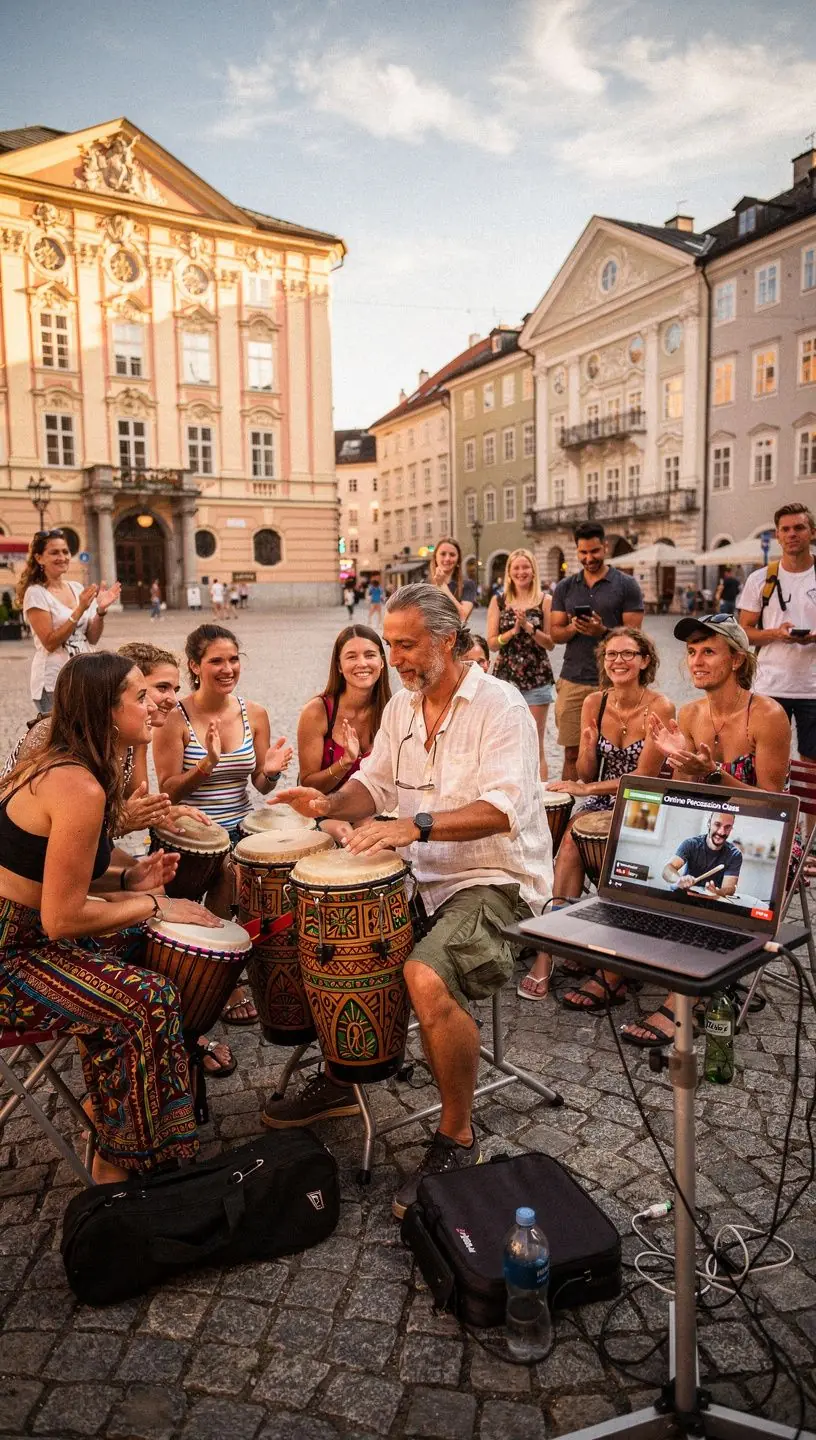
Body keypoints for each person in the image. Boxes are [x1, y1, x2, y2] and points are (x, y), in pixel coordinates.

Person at [267, 583, 552, 1220]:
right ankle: (344, 1077)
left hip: (497, 880)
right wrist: (330, 804)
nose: (394, 657)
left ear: (447, 641)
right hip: (421, 875)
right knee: (328, 938)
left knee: (424, 975)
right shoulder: (403, 709)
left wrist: (414, 826)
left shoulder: (500, 706)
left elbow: (503, 810)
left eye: (406, 644)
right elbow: (373, 782)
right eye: (389, 643)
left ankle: (456, 1133)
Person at [0, 652, 221, 1181]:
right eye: (140, 697)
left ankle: (111, 1113)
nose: (153, 706)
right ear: (105, 710)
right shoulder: (77, 785)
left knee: (153, 951)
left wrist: (128, 880)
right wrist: (157, 903)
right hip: (12, 955)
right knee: (148, 999)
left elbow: (57, 874)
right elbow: (62, 918)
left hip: (27, 937)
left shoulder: (73, 765)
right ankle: (121, 1168)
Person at [621, 613, 792, 1047]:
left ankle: (685, 1002)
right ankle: (617, 970)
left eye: (708, 651)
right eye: (692, 652)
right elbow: (689, 796)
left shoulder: (767, 715)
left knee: (706, 893)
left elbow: (772, 807)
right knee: (644, 869)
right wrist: (675, 767)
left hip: (763, 840)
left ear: (736, 659)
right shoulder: (691, 713)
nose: (696, 661)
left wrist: (712, 776)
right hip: (713, 835)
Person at [519, 627, 674, 1004]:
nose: (618, 661)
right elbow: (587, 772)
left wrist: (587, 789)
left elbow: (643, 779)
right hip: (604, 800)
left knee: (617, 851)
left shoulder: (661, 707)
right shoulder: (595, 703)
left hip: (645, 803)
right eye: (611, 655)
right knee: (569, 845)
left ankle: (614, 958)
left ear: (644, 661)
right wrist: (587, 750)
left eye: (628, 654)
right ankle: (549, 951)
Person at [153, 624, 293, 1025]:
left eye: (233, 659)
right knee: (228, 873)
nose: (227, 668)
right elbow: (169, 792)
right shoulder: (175, 717)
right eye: (216, 660)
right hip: (189, 833)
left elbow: (260, 785)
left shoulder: (255, 713)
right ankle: (222, 974)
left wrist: (271, 772)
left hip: (240, 827)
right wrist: (206, 764)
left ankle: (265, 960)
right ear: (195, 666)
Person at [117, 641, 236, 1079]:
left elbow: (135, 802)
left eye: (174, 687)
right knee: (158, 928)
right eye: (158, 688)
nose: (170, 698)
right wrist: (149, 899)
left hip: (78, 873)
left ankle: (185, 1027)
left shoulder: (135, 736)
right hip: (32, 914)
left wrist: (167, 811)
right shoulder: (84, 747)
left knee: (165, 909)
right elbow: (70, 835)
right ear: (124, 688)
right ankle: (179, 1036)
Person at [550, 523, 644, 780]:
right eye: (583, 553)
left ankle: (608, 810)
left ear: (604, 547)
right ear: (576, 551)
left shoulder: (626, 585)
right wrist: (573, 627)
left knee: (616, 753)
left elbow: (635, 637)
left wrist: (602, 631)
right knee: (572, 753)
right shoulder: (565, 587)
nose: (589, 558)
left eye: (594, 551)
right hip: (573, 678)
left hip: (615, 683)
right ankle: (564, 817)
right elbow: (555, 634)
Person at [738, 505, 816, 793]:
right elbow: (744, 633)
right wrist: (774, 634)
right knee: (766, 759)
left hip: (813, 688)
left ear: (812, 533)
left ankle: (809, 833)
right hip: (770, 684)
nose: (792, 534)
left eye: (799, 528)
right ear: (778, 536)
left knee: (812, 764)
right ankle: (772, 823)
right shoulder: (760, 579)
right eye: (785, 529)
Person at [17, 529, 121, 716]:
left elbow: (92, 637)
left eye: (65, 551)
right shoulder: (36, 593)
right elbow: (49, 642)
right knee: (63, 741)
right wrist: (80, 608)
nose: (62, 557)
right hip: (54, 680)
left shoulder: (76, 587)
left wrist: (100, 611)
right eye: (54, 552)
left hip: (84, 675)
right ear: (39, 558)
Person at [486, 549, 555, 780]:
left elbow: (550, 643)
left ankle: (542, 800)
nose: (521, 572)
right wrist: (513, 631)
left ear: (533, 570)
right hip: (505, 679)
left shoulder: (545, 600)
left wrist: (528, 627)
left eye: (525, 567)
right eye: (516, 568)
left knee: (535, 743)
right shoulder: (499, 601)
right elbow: (493, 644)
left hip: (536, 678)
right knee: (504, 742)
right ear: (509, 572)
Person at [297, 626, 390, 795]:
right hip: (327, 809)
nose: (362, 663)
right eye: (351, 657)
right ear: (339, 666)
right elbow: (308, 785)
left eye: (370, 655)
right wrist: (345, 763)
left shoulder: (393, 710)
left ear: (382, 662)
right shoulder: (317, 711)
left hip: (375, 810)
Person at [661, 812, 742, 899]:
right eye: (717, 824)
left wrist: (716, 892)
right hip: (684, 899)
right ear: (709, 823)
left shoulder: (734, 854)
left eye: (727, 827)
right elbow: (667, 870)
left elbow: (730, 888)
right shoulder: (691, 844)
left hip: (711, 904)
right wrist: (678, 879)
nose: (721, 832)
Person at [429, 536, 478, 622]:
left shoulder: (467, 584)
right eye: (443, 554)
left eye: (452, 555)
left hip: (455, 634)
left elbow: (463, 616)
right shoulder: (424, 585)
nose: (447, 558)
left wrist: (442, 585)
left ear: (458, 559)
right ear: (435, 557)